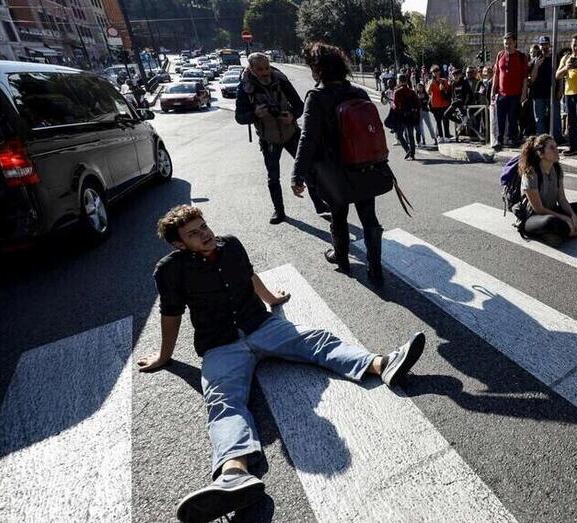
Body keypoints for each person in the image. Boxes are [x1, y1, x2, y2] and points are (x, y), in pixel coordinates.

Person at [138, 204, 426, 523]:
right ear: (179, 243)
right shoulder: (168, 269)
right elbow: (171, 314)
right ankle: (234, 475)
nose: (205, 234)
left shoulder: (230, 245)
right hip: (221, 345)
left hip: (260, 324)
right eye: (194, 233)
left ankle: (382, 365)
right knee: (223, 401)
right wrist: (165, 357)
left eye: (204, 226)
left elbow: (248, 276)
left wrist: (272, 299)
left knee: (316, 339)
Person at [290, 43, 389, 283]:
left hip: (334, 170)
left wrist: (297, 175)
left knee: (338, 215)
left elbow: (308, 138)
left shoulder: (317, 96)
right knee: (369, 218)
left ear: (318, 69)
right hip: (365, 166)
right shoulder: (359, 93)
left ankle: (342, 260)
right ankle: (375, 268)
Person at [236, 52, 326, 225]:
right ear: (251, 69)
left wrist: (291, 116)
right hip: (268, 138)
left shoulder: (280, 80)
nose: (265, 72)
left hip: (291, 132)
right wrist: (255, 114)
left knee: (308, 169)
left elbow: (300, 106)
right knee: (273, 177)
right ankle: (279, 211)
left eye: (267, 68)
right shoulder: (245, 87)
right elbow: (240, 117)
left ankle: (319, 204)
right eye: (260, 69)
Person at [517, 135, 577, 246]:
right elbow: (539, 209)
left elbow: (562, 199)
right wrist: (564, 217)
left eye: (556, 147)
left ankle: (563, 233)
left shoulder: (557, 169)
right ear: (541, 153)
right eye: (552, 148)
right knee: (550, 222)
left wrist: (572, 215)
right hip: (533, 218)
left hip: (552, 211)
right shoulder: (531, 173)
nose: (556, 151)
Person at [490, 32, 530, 151]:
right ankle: (499, 140)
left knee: (513, 118)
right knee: (500, 118)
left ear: (515, 43)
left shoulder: (522, 57)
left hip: (515, 93)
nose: (507, 46)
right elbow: (496, 74)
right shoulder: (500, 55)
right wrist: (493, 90)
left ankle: (513, 139)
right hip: (502, 93)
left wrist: (524, 93)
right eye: (505, 43)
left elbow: (524, 77)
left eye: (510, 43)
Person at [528, 36, 555, 136]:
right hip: (538, 93)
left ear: (549, 45)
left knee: (553, 116)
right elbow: (532, 78)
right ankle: (541, 136)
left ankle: (555, 136)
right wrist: (536, 66)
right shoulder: (535, 60)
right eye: (542, 44)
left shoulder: (554, 58)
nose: (544, 47)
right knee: (539, 117)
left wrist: (560, 89)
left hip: (551, 92)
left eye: (546, 44)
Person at [393, 75, 420, 160]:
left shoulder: (397, 92)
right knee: (411, 135)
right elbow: (417, 103)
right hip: (411, 116)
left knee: (400, 135)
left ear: (399, 81)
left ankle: (407, 149)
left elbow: (395, 106)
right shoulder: (411, 91)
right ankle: (412, 153)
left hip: (401, 116)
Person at [444, 68, 473, 140]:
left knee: (458, 102)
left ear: (460, 75)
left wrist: (466, 103)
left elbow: (470, 94)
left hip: (462, 102)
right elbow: (453, 95)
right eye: (453, 75)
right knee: (446, 114)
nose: (455, 76)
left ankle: (464, 118)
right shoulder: (453, 84)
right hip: (455, 103)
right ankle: (460, 122)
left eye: (457, 75)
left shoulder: (464, 82)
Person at [427, 65, 452, 143]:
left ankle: (447, 136)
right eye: (434, 71)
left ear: (440, 71)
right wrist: (431, 84)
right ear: (432, 73)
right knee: (438, 121)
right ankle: (440, 136)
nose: (436, 73)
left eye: (437, 71)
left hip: (444, 104)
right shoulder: (430, 81)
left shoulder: (444, 80)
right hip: (435, 104)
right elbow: (428, 91)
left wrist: (443, 87)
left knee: (446, 120)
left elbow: (448, 90)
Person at [415, 81, 437, 147]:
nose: (420, 88)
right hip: (418, 112)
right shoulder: (416, 95)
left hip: (425, 111)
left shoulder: (426, 94)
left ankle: (434, 138)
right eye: (418, 87)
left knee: (429, 125)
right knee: (420, 127)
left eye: (421, 87)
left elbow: (428, 102)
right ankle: (423, 139)